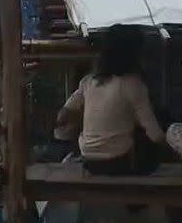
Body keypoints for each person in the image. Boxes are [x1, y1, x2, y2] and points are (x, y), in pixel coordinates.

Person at [56, 24, 165, 176]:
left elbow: (62, 117)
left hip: (90, 161)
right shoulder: (133, 83)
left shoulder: (89, 81)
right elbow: (155, 135)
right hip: (119, 161)